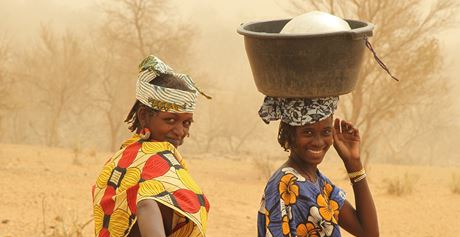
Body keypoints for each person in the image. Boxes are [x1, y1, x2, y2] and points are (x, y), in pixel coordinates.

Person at [92, 55, 210, 237]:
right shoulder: (157, 165)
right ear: (143, 116)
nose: (180, 131)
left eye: (186, 123)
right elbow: (146, 202)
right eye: (170, 120)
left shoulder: (121, 159)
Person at [257, 96, 378, 237]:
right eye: (308, 132)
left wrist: (353, 162)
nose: (318, 142)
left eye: (326, 132)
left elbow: (369, 233)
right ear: (290, 135)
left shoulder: (319, 182)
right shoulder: (286, 183)